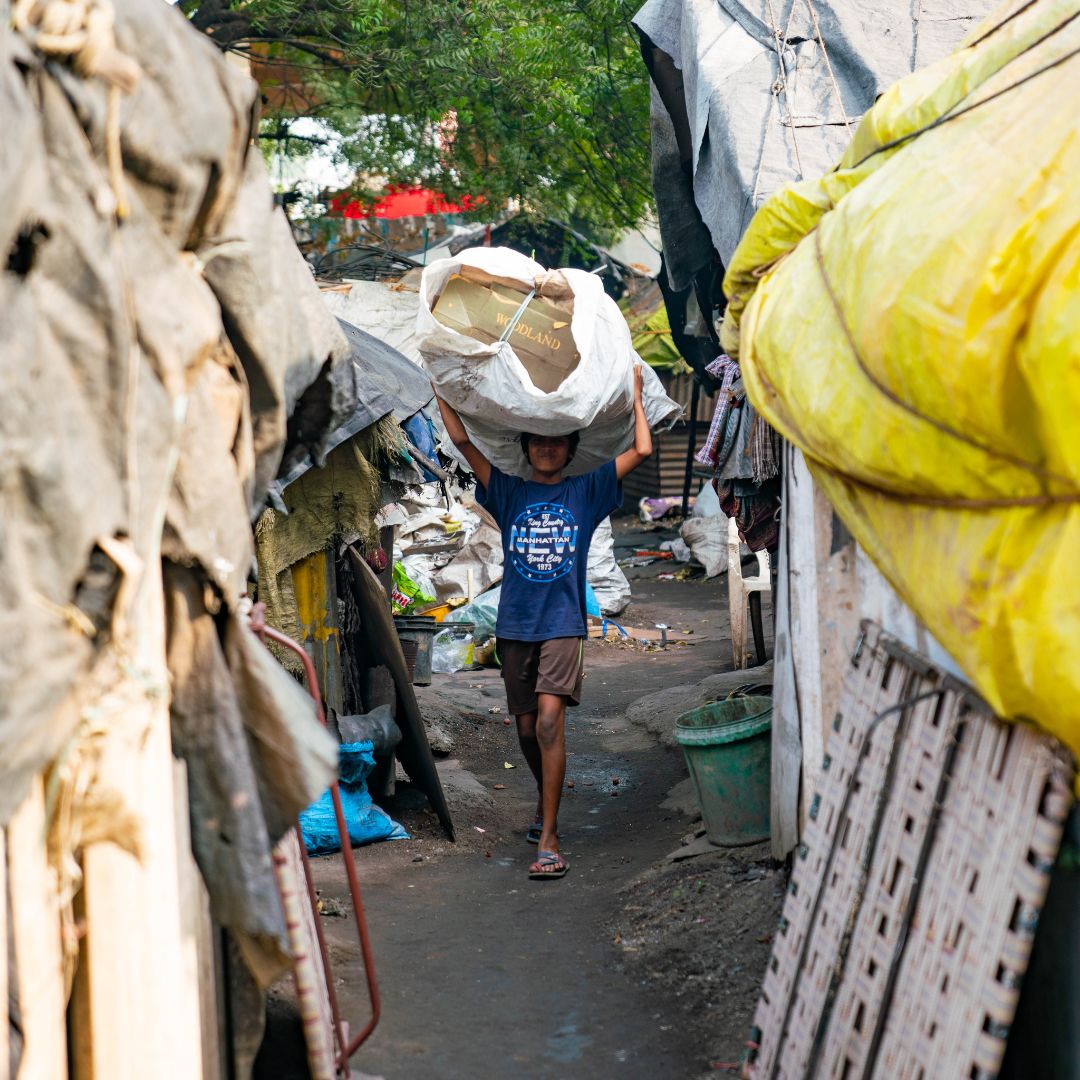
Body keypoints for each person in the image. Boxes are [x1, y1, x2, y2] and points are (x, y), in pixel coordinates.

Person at [433, 367, 653, 879]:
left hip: (562, 625)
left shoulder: (587, 491)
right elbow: (463, 440)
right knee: (528, 729)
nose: (548, 449)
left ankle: (551, 837)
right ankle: (543, 799)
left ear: (571, 449)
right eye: (540, 441)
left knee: (551, 721)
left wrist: (637, 395)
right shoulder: (508, 493)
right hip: (514, 627)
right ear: (527, 448)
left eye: (558, 442)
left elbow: (641, 450)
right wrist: (441, 387)